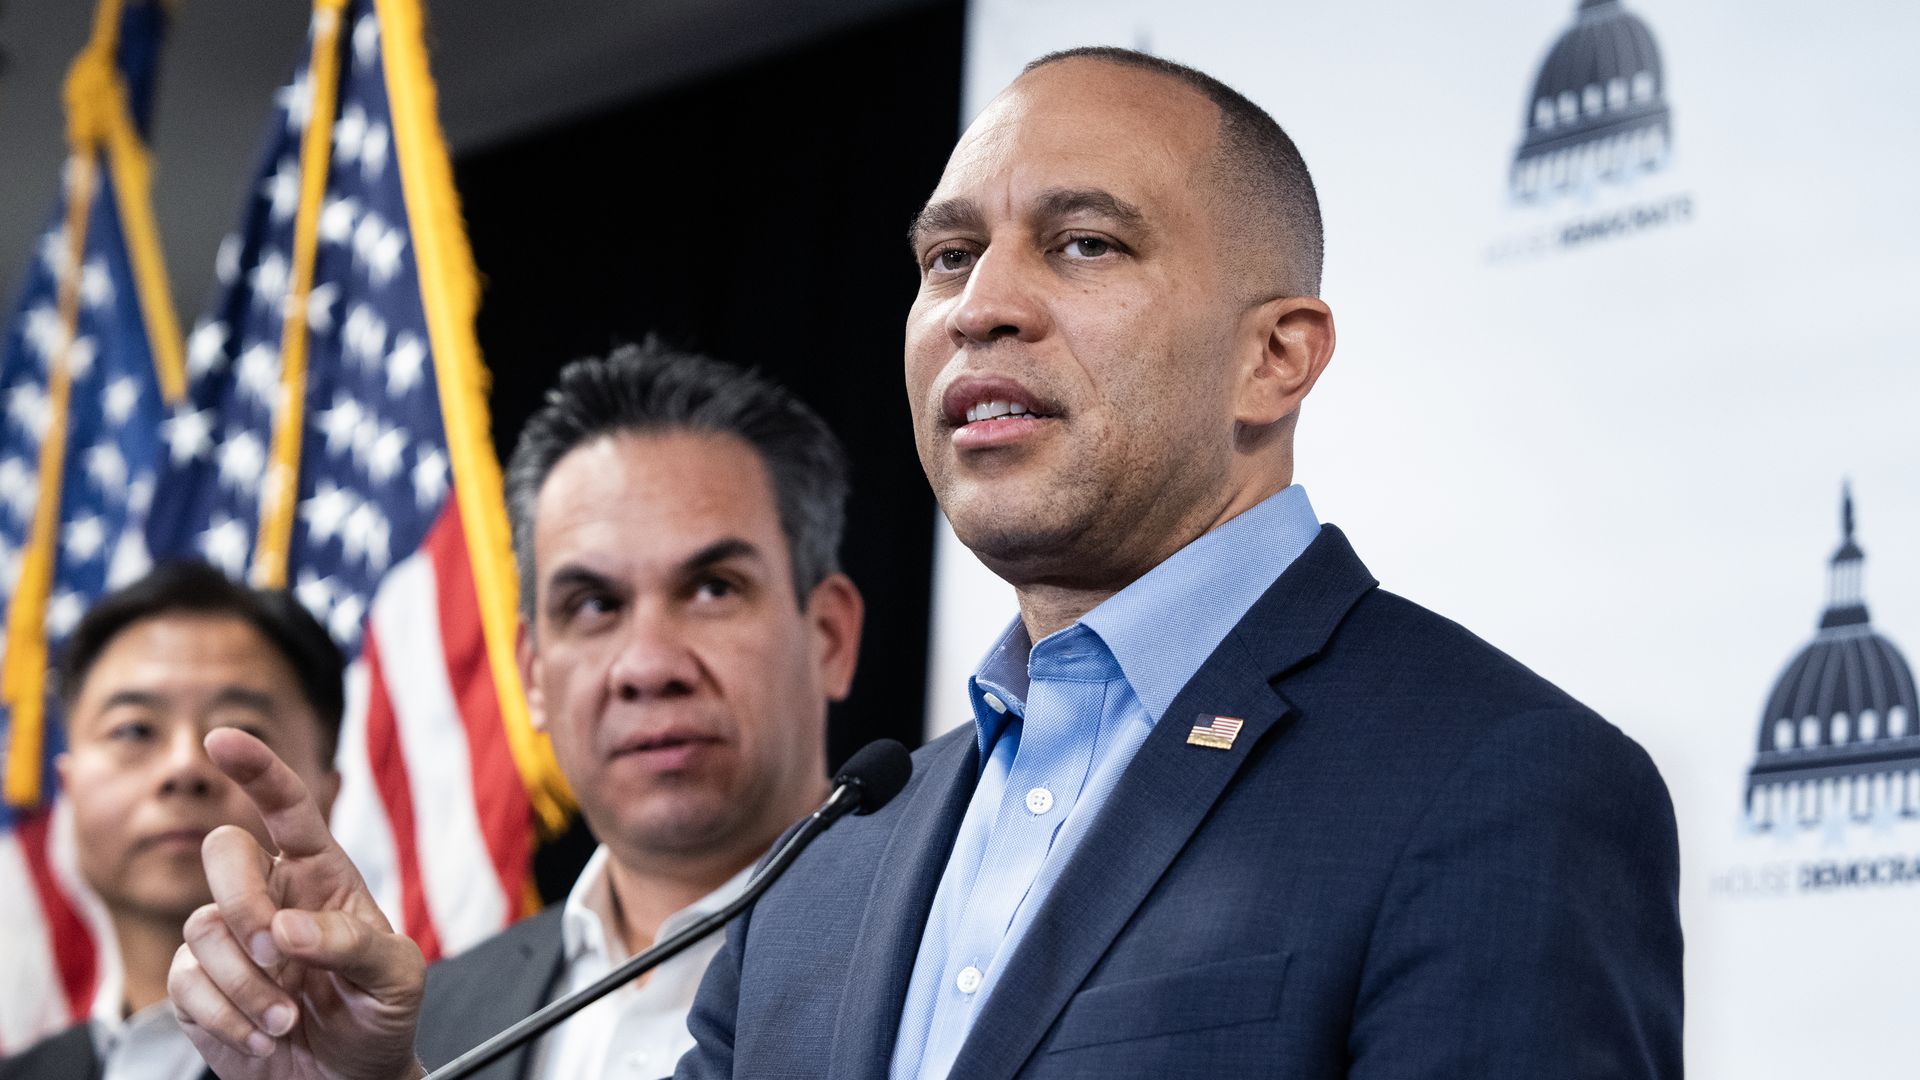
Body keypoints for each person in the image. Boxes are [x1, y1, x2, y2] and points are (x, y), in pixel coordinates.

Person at [168, 47, 1683, 1080]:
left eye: (1084, 243)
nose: (979, 306)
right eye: (949, 257)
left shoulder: (1499, 787)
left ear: (1275, 357)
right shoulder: (831, 868)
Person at [165, 345, 863, 1080]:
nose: (647, 666)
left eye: (713, 589)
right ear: (532, 677)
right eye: (594, 605)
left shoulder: (928, 951)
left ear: (830, 637)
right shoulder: (419, 1023)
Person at [0, 562, 343, 1080]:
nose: (185, 768)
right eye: (135, 730)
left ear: (327, 794)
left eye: (242, 730)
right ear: (69, 788)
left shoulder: (410, 1055)